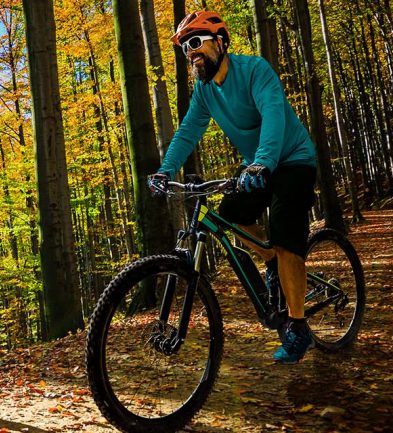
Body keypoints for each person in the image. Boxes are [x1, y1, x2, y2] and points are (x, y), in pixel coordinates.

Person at [150, 11, 320, 364]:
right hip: (258, 164)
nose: (191, 52)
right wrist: (165, 171)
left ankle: (298, 326)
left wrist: (263, 161)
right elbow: (188, 132)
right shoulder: (205, 91)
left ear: (221, 42)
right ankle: (271, 262)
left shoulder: (255, 70)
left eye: (196, 42)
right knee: (229, 216)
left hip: (292, 159)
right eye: (185, 48)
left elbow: (273, 113)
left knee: (285, 235)